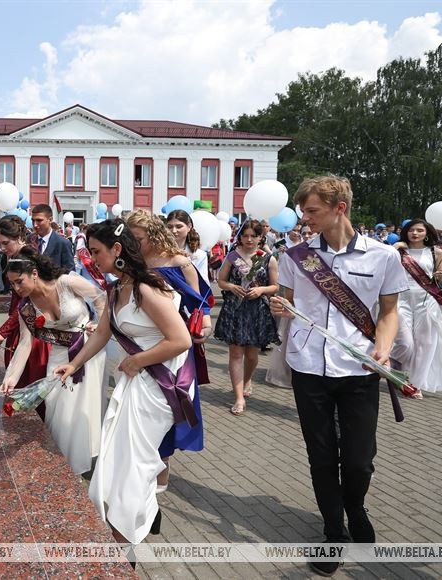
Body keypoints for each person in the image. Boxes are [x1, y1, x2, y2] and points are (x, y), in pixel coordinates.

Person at [270, 176, 409, 577]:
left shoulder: (382, 257)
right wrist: (282, 304)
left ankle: (356, 507)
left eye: (312, 211)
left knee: (360, 459)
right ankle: (334, 531)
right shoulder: (297, 256)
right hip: (309, 365)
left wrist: (383, 348)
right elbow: (292, 300)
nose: (305, 219)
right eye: (303, 211)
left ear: (339, 208)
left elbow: (388, 313)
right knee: (321, 454)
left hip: (360, 368)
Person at [54, 219, 195, 547]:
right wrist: (73, 363)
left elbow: (181, 340)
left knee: (134, 460)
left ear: (117, 250)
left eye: (96, 251)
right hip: (135, 381)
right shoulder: (116, 288)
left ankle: (126, 532)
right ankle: (132, 519)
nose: (92, 258)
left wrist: (136, 361)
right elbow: (102, 333)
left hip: (159, 385)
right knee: (119, 457)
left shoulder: (147, 289)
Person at [0, 246, 106, 475]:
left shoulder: (67, 283)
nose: (17, 289)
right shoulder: (26, 308)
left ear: (34, 273)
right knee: (58, 408)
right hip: (58, 356)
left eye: (20, 282)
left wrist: (100, 324)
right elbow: (25, 345)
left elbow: (100, 298)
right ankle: (61, 464)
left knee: (81, 410)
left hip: (88, 350)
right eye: (13, 285)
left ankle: (76, 464)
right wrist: (10, 379)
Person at [127, 209, 210, 493]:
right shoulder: (133, 262)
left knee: (170, 406)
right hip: (140, 339)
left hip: (173, 343)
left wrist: (204, 323)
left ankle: (162, 470)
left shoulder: (180, 262)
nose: (133, 242)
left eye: (137, 237)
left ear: (152, 234)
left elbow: (198, 303)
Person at [214, 219, 280, 415]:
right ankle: (239, 398)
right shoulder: (232, 256)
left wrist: (261, 290)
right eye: (246, 236)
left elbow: (275, 286)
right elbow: (221, 281)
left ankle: (247, 379)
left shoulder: (268, 258)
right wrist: (231, 286)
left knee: (252, 356)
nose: (249, 239)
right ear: (240, 237)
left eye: (254, 236)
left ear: (261, 237)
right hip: (235, 309)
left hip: (257, 311)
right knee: (235, 354)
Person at [392, 219, 442, 395]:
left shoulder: (436, 252)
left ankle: (415, 384)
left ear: (426, 234)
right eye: (411, 230)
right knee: (406, 343)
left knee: (425, 344)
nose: (415, 233)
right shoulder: (399, 251)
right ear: (406, 232)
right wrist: (394, 247)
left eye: (419, 230)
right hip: (401, 300)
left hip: (426, 301)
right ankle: (393, 361)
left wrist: (440, 276)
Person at [0, 217, 50, 397]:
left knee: (25, 373)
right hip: (20, 320)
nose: (2, 248)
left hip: (29, 324)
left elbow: (28, 303)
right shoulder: (17, 255)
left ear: (18, 236)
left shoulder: (26, 257)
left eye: (6, 243)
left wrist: (4, 330)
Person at [166, 210, 209, 282]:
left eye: (179, 226)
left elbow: (204, 283)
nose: (173, 231)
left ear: (189, 227)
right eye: (169, 227)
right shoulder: (159, 252)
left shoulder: (199, 255)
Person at [31, 204, 74, 271]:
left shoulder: (62, 243)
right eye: (33, 220)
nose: (35, 225)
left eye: (39, 220)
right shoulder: (28, 240)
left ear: (50, 220)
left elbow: (69, 273)